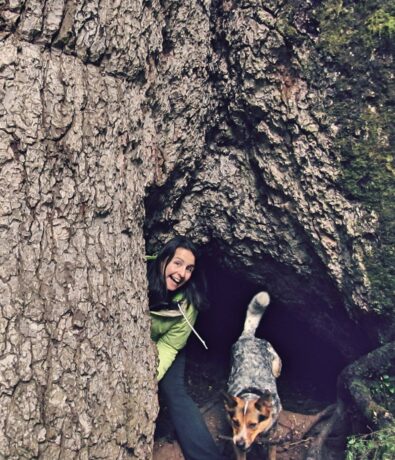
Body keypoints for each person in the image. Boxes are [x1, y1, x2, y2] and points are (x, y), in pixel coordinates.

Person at [147, 235, 225, 460]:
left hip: (167, 344)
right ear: (163, 259)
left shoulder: (188, 302)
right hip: (133, 342)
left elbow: (170, 345)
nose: (182, 274)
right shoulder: (136, 271)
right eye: (177, 263)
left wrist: (150, 377)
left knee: (175, 392)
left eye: (189, 269)